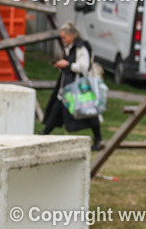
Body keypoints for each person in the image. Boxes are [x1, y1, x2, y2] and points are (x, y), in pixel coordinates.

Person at [41, 22, 104, 151]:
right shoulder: (69, 48)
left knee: (88, 114)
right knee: (56, 109)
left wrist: (68, 65)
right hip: (66, 87)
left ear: (71, 36)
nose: (63, 40)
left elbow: (83, 66)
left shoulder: (81, 48)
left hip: (79, 88)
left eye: (64, 37)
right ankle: (43, 135)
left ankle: (98, 140)